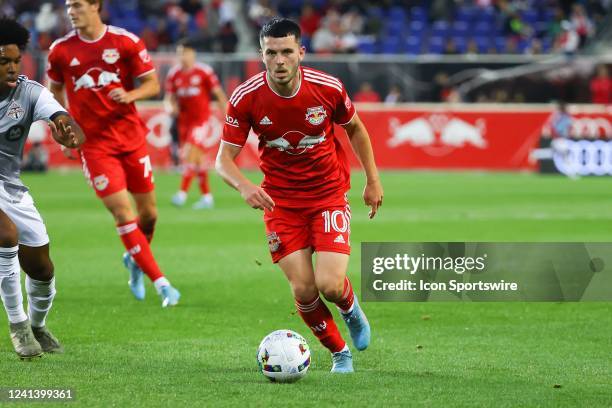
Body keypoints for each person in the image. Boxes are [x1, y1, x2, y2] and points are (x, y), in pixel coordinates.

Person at [216, 18, 383, 373]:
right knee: (305, 290)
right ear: (262, 55)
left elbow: (355, 128)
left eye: (286, 52)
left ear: (300, 53)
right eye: (271, 53)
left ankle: (350, 308)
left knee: (330, 284)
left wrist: (372, 180)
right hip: (281, 204)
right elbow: (222, 161)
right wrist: (245, 186)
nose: (279, 60)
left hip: (327, 195)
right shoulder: (246, 97)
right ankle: (340, 354)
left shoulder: (328, 88)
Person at [46, 0, 180, 306]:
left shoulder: (125, 42)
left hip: (130, 138)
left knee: (149, 216)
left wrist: (130, 94)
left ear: (96, 6)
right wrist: (62, 134)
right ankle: (162, 284)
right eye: (68, 6)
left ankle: (134, 258)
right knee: (123, 212)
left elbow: (151, 84)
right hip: (93, 146)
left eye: (77, 5)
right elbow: (52, 94)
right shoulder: (60, 50)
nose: (70, 11)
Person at [0, 17, 85, 359]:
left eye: (16, 60)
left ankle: (37, 324)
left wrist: (65, 128)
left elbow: (61, 116)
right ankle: (18, 326)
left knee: (42, 268)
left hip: (10, 187)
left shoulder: (30, 91)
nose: (11, 67)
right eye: (3, 61)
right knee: (6, 237)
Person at [165, 38, 228, 209]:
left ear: (192, 54)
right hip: (184, 123)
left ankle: (181, 194)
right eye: (180, 54)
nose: (182, 57)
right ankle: (207, 198)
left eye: (185, 53)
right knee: (199, 160)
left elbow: (219, 95)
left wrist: (229, 117)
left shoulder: (204, 72)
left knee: (190, 154)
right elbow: (169, 98)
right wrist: (170, 107)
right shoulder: (174, 74)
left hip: (201, 121)